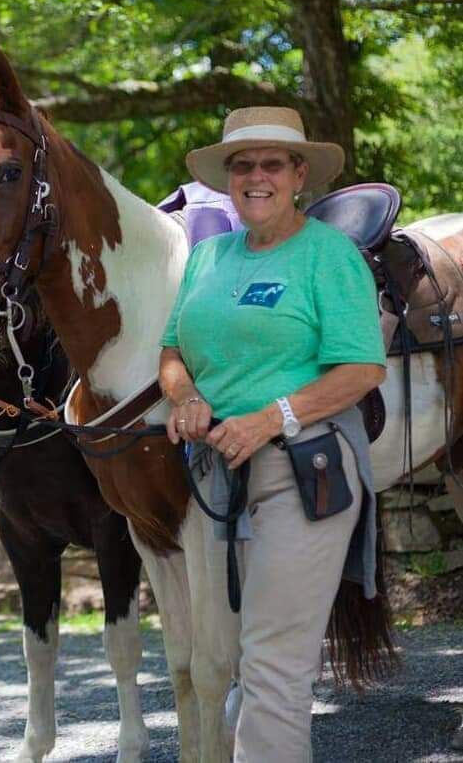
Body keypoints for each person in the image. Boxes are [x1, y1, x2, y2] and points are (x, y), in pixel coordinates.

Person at [158, 106, 390, 762]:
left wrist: (272, 416)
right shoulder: (206, 257)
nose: (255, 175)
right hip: (216, 476)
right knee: (228, 656)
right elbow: (171, 349)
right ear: (227, 179)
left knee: (272, 666)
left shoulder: (328, 255)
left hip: (304, 468)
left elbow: (363, 367)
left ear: (296, 176)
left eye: (270, 164)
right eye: (241, 164)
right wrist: (187, 395)